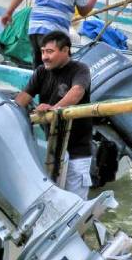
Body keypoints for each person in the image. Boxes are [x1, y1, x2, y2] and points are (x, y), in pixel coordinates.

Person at [14, 30, 94, 199]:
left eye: (50, 52)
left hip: (77, 150)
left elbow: (77, 91)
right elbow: (23, 98)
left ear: (65, 51)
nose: (44, 57)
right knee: (52, 200)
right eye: (42, 52)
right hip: (52, 150)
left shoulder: (80, 69)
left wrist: (54, 108)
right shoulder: (41, 72)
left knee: (76, 202)